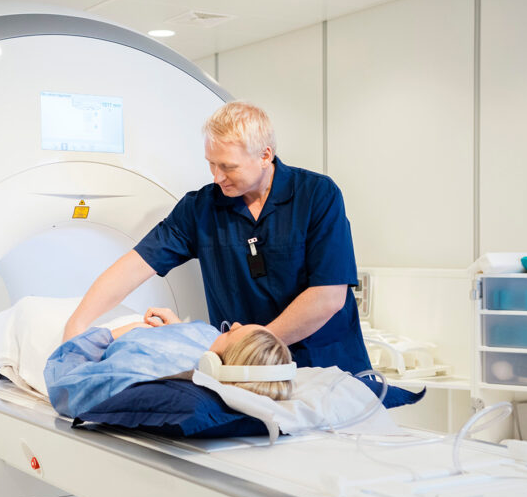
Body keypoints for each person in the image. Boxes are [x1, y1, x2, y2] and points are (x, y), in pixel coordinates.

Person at [62, 101, 371, 374]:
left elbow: (328, 296)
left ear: (265, 155)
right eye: (211, 163)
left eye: (228, 166)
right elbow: (135, 265)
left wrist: (247, 346)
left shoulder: (316, 195)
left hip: (327, 368)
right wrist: (77, 326)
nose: (217, 176)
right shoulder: (201, 208)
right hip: (244, 375)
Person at [45, 307, 292, 417]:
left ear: (212, 365)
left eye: (228, 333)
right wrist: (179, 328)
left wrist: (114, 333)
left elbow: (64, 384)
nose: (232, 325)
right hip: (152, 325)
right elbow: (204, 337)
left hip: (104, 332)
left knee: (37, 315)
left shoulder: (137, 374)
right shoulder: (212, 344)